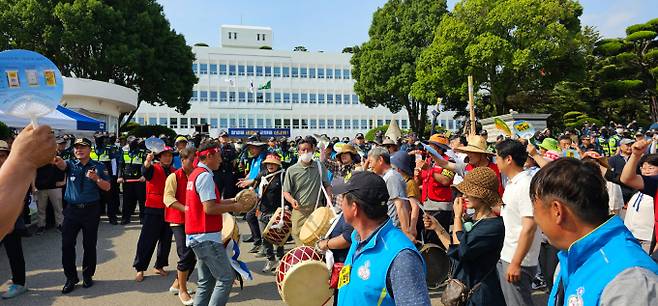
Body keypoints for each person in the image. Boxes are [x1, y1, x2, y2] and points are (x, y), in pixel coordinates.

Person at [531, 158, 658, 305]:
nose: (535, 219)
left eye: (535, 209)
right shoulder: (570, 256)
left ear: (557, 211)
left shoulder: (630, 284)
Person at [334, 171, 430, 305]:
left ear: (354, 208)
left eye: (343, 198)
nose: (340, 203)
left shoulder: (402, 258)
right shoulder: (357, 237)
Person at [424, 167, 506, 305]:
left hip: (482, 296)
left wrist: (457, 217)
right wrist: (437, 228)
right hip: (466, 291)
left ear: (483, 195)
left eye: (469, 192)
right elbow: (455, 250)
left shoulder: (493, 226)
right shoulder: (472, 219)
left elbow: (462, 250)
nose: (464, 196)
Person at [185, 140, 244, 306]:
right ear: (209, 156)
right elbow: (209, 208)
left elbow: (212, 202)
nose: (221, 160)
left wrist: (233, 200)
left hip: (198, 236)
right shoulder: (205, 177)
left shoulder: (196, 174)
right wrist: (235, 206)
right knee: (226, 278)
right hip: (206, 238)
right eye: (218, 156)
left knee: (207, 281)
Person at [54, 138, 111, 294]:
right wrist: (56, 157)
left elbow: (107, 187)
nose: (79, 150)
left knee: (89, 245)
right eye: (76, 147)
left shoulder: (99, 166)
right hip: (72, 211)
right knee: (67, 245)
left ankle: (87, 275)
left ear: (90, 149)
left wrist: (96, 179)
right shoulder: (70, 164)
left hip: (91, 211)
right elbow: (60, 164)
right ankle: (71, 278)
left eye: (83, 147)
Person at [494, 139, 541, 306]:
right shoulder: (512, 183)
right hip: (508, 254)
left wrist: (516, 263)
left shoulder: (525, 184)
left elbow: (529, 227)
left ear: (508, 159)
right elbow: (510, 214)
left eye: (498, 157)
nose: (496, 161)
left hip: (519, 259)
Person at [133, 147, 175, 282]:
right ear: (159, 157)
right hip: (153, 208)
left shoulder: (175, 171)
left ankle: (160, 265)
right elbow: (145, 171)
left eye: (169, 155)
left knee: (166, 240)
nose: (167, 158)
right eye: (164, 155)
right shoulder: (154, 168)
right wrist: (147, 161)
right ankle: (140, 268)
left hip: (170, 209)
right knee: (147, 240)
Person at [282, 136, 333, 246]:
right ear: (298, 152)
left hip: (317, 210)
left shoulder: (319, 167)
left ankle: (317, 261)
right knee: (298, 236)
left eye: (308, 149)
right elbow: (286, 192)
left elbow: (327, 185)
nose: (306, 152)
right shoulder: (292, 170)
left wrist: (329, 199)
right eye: (303, 150)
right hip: (299, 210)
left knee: (318, 239)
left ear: (313, 150)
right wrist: (291, 201)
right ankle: (306, 261)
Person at [240, 153, 286, 271]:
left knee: (278, 238)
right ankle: (271, 259)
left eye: (273, 164)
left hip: (276, 212)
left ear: (278, 165)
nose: (271, 166)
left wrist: (286, 208)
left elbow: (287, 192)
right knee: (265, 238)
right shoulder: (263, 174)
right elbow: (254, 182)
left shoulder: (282, 176)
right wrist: (248, 186)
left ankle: (280, 261)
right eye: (269, 164)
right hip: (262, 210)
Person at [163, 147, 196, 305]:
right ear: (183, 160)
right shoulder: (173, 177)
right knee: (185, 254)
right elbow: (168, 198)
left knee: (194, 254)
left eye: (196, 159)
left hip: (195, 220)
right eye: (191, 159)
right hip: (178, 220)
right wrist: (185, 209)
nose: (194, 162)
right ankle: (182, 290)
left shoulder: (198, 175)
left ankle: (177, 284)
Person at [432, 135, 504, 199]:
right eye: (467, 151)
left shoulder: (498, 170)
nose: (468, 154)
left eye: (471, 152)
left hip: (492, 212)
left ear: (482, 154)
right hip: (468, 211)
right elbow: (444, 164)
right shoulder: (465, 167)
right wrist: (431, 152)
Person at [0, 140, 28, 299]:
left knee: (14, 252)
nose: (0, 159)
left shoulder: (16, 174)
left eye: (3, 155)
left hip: (11, 221)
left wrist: (10, 221)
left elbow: (21, 200)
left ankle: (19, 283)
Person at [368, 147, 413, 241]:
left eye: (371, 161)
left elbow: (400, 205)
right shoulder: (388, 176)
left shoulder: (392, 177)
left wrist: (406, 232)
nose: (370, 165)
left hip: (395, 229)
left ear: (380, 160)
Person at [415, 133, 455, 235]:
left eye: (431, 147)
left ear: (439, 149)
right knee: (427, 237)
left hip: (440, 207)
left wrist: (429, 169)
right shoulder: (428, 161)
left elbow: (446, 180)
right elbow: (420, 182)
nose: (428, 150)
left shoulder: (449, 161)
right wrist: (417, 175)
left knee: (439, 237)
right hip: (427, 205)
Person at [239, 138, 268, 253]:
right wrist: (245, 179)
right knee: (251, 216)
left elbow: (264, 173)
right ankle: (258, 241)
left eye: (252, 147)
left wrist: (251, 181)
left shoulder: (265, 158)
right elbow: (252, 173)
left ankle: (262, 244)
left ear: (259, 147)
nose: (250, 149)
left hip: (262, 192)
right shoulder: (255, 159)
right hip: (254, 192)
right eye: (249, 147)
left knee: (254, 217)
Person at [34, 143, 66, 234]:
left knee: (58, 208)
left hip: (55, 187)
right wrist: (33, 186)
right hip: (41, 187)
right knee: (41, 209)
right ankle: (41, 226)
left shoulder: (58, 158)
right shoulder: (39, 160)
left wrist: (64, 181)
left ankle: (60, 225)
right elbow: (34, 173)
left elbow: (65, 169)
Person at [391, 150, 421, 242]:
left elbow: (415, 207)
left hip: (406, 225)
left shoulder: (410, 183)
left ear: (399, 169)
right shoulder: (399, 182)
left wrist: (412, 227)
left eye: (393, 168)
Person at [118, 137, 147, 224]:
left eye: (134, 142)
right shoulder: (125, 152)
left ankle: (143, 218)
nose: (132, 144)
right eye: (131, 142)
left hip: (139, 180)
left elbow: (145, 165)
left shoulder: (142, 153)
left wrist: (144, 175)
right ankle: (125, 218)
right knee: (127, 200)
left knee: (141, 200)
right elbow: (121, 165)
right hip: (127, 180)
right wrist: (120, 176)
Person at [608, 138, 636, 203]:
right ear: (621, 146)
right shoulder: (613, 159)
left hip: (634, 189)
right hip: (620, 191)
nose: (630, 147)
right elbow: (610, 175)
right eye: (627, 145)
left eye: (631, 145)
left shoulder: (636, 158)